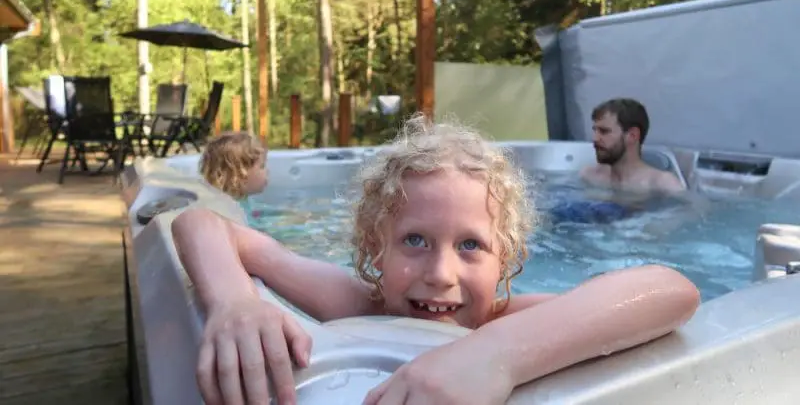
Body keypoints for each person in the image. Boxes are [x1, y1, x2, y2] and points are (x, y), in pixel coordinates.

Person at [173, 113, 701, 405]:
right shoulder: (357, 301)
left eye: (471, 246)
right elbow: (200, 223)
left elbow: (670, 288)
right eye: (415, 241)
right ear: (373, 245)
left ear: (508, 259)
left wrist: (497, 355)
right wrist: (234, 302)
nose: (441, 274)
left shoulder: (505, 320)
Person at [581, 98, 685, 195]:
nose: (595, 139)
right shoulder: (590, 176)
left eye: (604, 131)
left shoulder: (662, 184)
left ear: (632, 136)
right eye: (595, 130)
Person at [199, 131, 269, 204]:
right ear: (240, 175)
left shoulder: (241, 200)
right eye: (262, 166)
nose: (267, 171)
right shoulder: (226, 206)